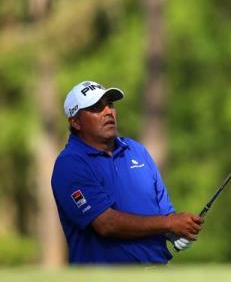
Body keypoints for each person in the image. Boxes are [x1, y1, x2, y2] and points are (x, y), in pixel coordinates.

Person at [51, 80, 203, 264]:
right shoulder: (70, 164)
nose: (108, 112)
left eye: (110, 104)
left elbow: (164, 215)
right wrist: (170, 224)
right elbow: (106, 224)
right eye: (96, 107)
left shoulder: (136, 151)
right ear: (75, 122)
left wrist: (177, 231)